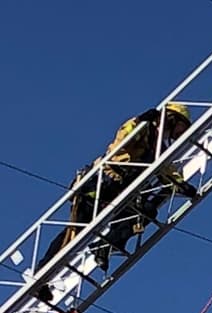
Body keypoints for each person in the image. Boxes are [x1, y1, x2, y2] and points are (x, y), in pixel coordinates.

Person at [35, 103, 198, 297]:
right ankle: (41, 278)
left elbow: (165, 170)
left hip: (119, 194)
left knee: (145, 212)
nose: (180, 133)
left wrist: (182, 185)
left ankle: (107, 245)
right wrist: (140, 122)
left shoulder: (159, 148)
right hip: (98, 187)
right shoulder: (141, 129)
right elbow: (123, 141)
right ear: (172, 119)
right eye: (182, 126)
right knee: (72, 236)